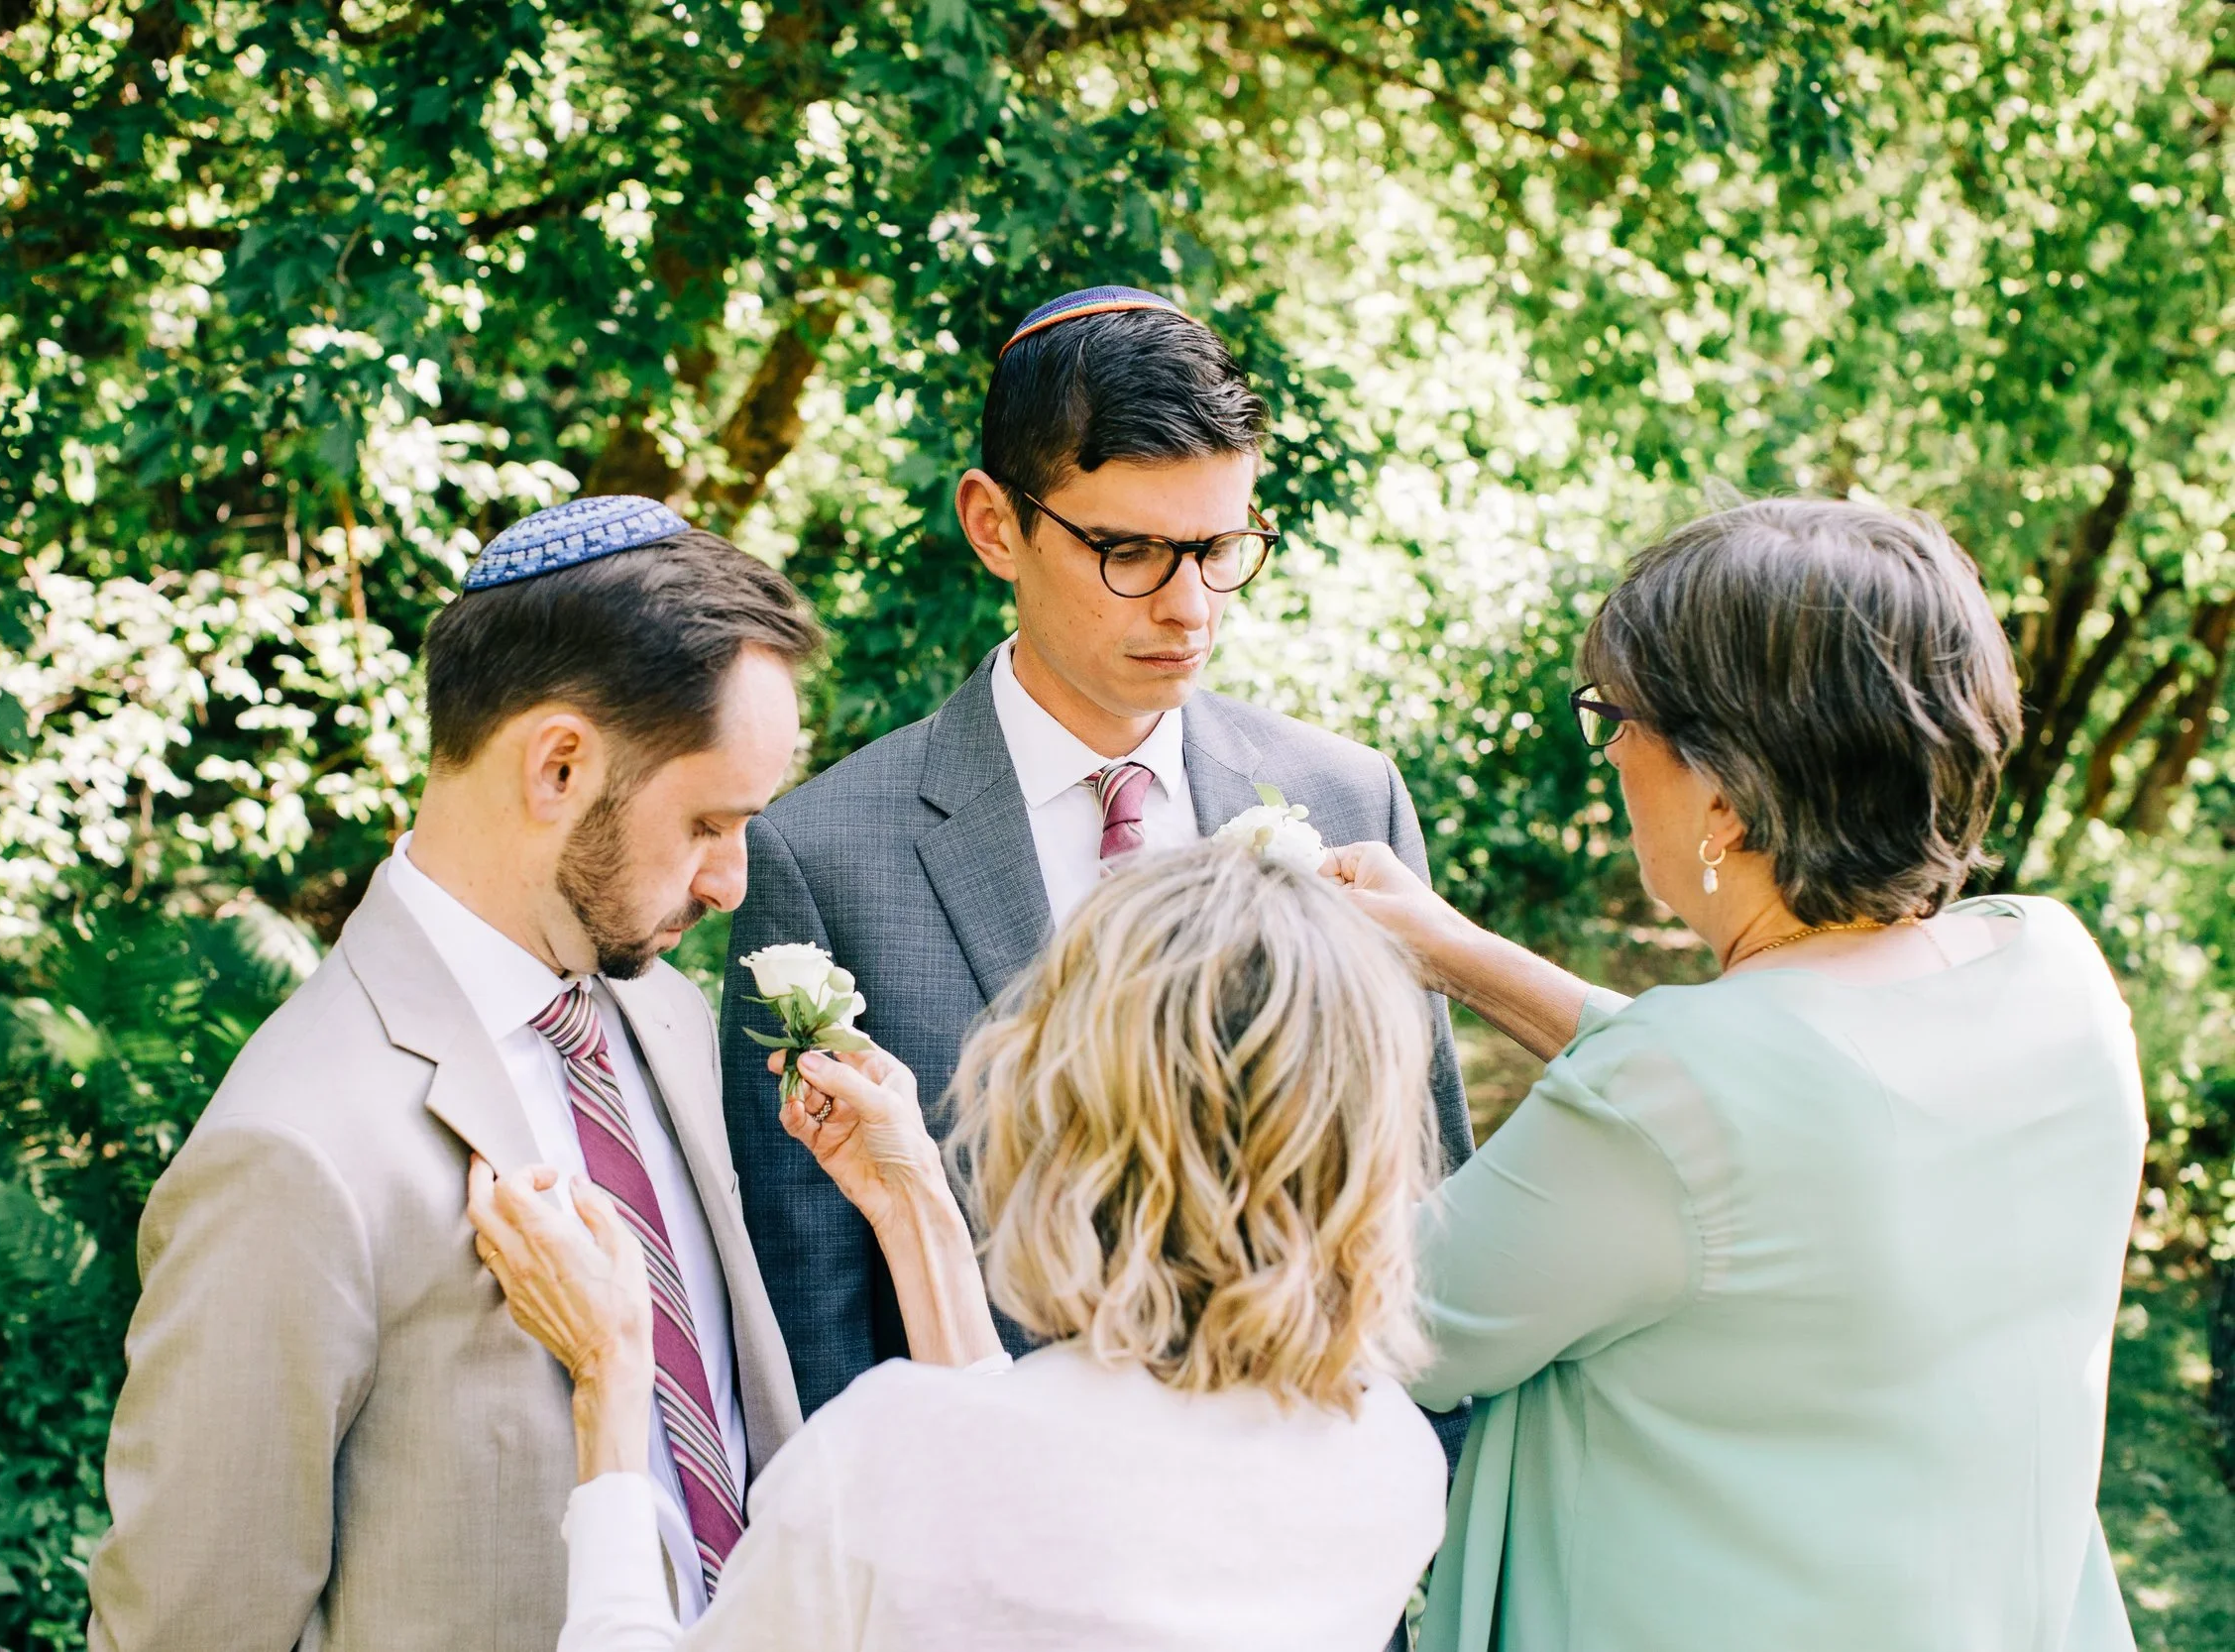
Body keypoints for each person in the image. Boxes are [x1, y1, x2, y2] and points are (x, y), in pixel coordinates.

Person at [1327, 496, 2145, 1651]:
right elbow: (1776, 1103)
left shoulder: (1672, 1100)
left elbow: (1373, 1328)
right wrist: (1457, 954)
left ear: (1722, 791)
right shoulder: (2055, 975)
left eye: (1618, 717)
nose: (1608, 749)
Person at [720, 282, 1472, 1428]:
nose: (1189, 607)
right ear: (993, 524)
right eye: (1128, 550)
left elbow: (1421, 1204)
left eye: (1222, 547)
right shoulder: (821, 858)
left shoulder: (1345, 797)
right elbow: (809, 1310)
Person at [87, 498, 823, 1651]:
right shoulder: (294, 1150)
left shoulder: (667, 1014)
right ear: (559, 766)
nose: (731, 880)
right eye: (707, 823)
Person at [471, 844, 1451, 1650]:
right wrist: (916, 1213)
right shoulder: (1390, 1460)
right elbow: (1043, 1512)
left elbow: (989, 1480)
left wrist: (611, 1379)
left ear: (1068, 1104)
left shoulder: (885, 1452)